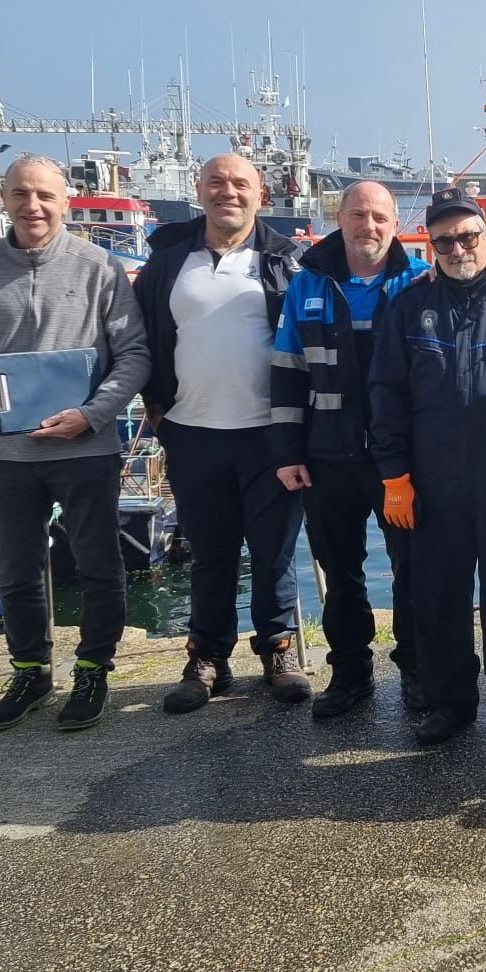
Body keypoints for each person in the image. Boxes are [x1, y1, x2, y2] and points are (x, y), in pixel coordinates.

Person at [0, 155, 149, 732]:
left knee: (99, 566)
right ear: (4, 198)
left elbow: (134, 357)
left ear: (66, 202)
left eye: (45, 195)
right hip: (5, 454)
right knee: (16, 571)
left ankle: (93, 670)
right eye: (21, 194)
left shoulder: (101, 267)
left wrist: (92, 415)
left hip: (86, 449)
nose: (33, 206)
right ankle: (30, 670)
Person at [368, 190, 486, 745]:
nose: (457, 249)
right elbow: (386, 394)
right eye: (444, 241)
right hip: (433, 483)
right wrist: (394, 475)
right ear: (432, 246)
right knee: (437, 596)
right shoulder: (409, 307)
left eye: (468, 236)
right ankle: (449, 702)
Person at [135, 153, 308, 713]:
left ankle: (278, 649)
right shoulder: (168, 259)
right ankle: (207, 656)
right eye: (216, 182)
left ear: (260, 194)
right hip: (192, 430)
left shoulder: (285, 260)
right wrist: (155, 407)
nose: (227, 192)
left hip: (269, 434)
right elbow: (143, 338)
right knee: (211, 554)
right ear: (199, 189)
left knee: (275, 552)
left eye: (240, 184)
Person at [269, 180, 428, 718]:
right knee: (340, 571)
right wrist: (287, 451)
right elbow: (287, 371)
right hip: (327, 454)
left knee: (413, 568)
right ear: (339, 218)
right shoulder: (308, 285)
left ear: (395, 223)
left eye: (380, 216)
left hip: (399, 459)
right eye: (358, 215)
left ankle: (417, 670)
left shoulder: (418, 282)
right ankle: (351, 672)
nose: (369, 226)